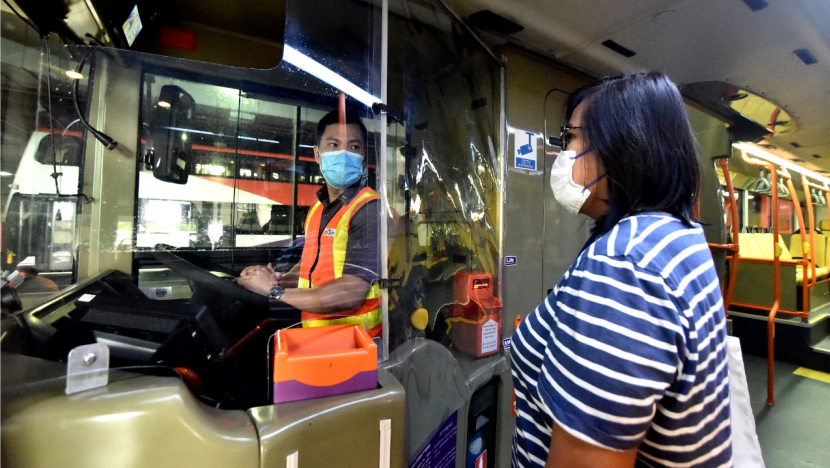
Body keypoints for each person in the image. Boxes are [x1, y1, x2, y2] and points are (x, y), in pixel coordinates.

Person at [511, 73, 732, 468]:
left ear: (620, 148)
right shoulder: (674, 237)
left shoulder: (623, 266)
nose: (566, 153)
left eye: (572, 138)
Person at [237, 109, 382, 337]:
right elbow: (312, 268)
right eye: (334, 145)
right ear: (317, 154)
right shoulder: (317, 208)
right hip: (319, 340)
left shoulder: (369, 209)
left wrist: (273, 291)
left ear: (363, 156)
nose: (344, 154)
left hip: (357, 345)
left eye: (354, 147)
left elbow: (352, 292)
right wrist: (281, 280)